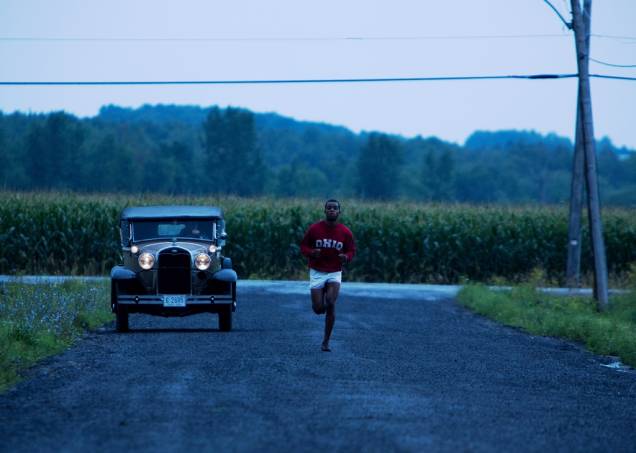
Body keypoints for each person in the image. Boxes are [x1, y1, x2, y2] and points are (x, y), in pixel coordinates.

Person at [300, 199, 356, 352]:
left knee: (331, 302)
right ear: (325, 211)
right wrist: (312, 252)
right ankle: (319, 302)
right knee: (319, 309)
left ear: (339, 212)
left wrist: (346, 257)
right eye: (329, 208)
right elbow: (303, 246)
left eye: (335, 208)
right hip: (317, 271)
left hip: (334, 272)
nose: (332, 210)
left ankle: (326, 341)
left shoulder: (345, 232)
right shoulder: (314, 229)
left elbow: (351, 250)